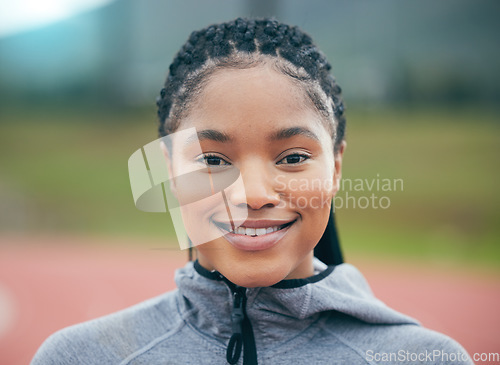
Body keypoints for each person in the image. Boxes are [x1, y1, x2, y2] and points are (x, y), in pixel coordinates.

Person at [31, 18, 473, 364]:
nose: (254, 194)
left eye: (293, 157)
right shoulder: (79, 358)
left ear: (335, 167)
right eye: (212, 160)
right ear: (169, 171)